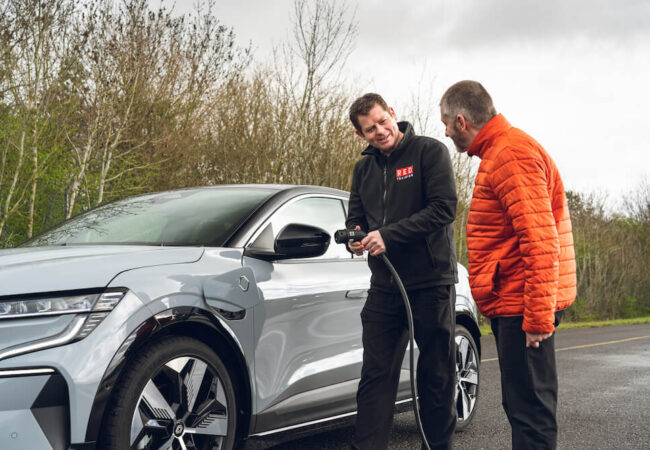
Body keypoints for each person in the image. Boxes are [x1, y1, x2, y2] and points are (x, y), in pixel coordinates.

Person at [440, 80, 577, 449]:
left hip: (523, 305)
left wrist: (536, 319)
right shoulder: (501, 151)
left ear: (462, 120)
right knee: (521, 407)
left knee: (530, 413)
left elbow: (541, 243)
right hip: (515, 301)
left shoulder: (510, 154)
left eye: (446, 123)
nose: (446, 131)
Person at [346, 93, 458, 450]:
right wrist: (355, 239)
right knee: (375, 375)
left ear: (393, 113)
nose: (379, 131)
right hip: (385, 285)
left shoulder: (429, 152)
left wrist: (388, 236)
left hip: (431, 281)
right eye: (369, 129)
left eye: (382, 121)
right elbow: (355, 221)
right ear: (361, 135)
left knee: (436, 374)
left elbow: (444, 209)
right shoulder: (363, 169)